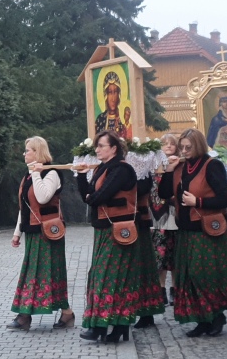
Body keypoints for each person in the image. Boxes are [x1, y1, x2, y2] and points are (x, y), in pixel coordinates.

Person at [159, 128, 227, 337]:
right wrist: (168, 171)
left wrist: (198, 201)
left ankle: (216, 316)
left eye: (188, 147)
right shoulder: (180, 167)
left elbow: (225, 198)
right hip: (185, 230)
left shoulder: (212, 165)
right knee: (189, 277)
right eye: (182, 147)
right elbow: (164, 193)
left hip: (206, 232)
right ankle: (202, 319)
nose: (184, 151)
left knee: (205, 275)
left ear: (199, 146)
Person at [75, 130, 140, 343]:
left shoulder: (122, 169)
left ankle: (103, 327)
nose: (97, 149)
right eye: (97, 145)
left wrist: (92, 197)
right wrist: (82, 176)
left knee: (108, 277)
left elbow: (100, 196)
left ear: (113, 148)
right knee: (100, 276)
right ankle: (112, 327)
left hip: (117, 230)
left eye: (101, 145)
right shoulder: (102, 169)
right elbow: (88, 197)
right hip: (103, 229)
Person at [7, 137, 73, 331]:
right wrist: (17, 233)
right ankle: (30, 315)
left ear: (38, 152)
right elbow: (24, 207)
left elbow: (43, 197)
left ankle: (29, 316)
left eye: (28, 150)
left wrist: (36, 173)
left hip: (48, 233)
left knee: (50, 273)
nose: (24, 153)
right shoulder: (27, 176)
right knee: (32, 273)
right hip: (33, 231)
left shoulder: (51, 173)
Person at [132, 166, 166, 329]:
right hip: (116, 223)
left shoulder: (142, 168)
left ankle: (146, 312)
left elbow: (142, 189)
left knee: (142, 267)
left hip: (139, 222)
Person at [150, 134, 179, 307]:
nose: (168, 146)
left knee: (174, 255)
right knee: (159, 254)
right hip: (157, 216)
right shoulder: (154, 164)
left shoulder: (179, 165)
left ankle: (174, 289)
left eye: (172, 144)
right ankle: (160, 289)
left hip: (174, 214)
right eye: (165, 144)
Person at [94, 72, 127, 139]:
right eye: (110, 92)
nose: (113, 99)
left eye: (115, 92)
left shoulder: (122, 118)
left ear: (119, 95)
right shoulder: (100, 119)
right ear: (105, 95)